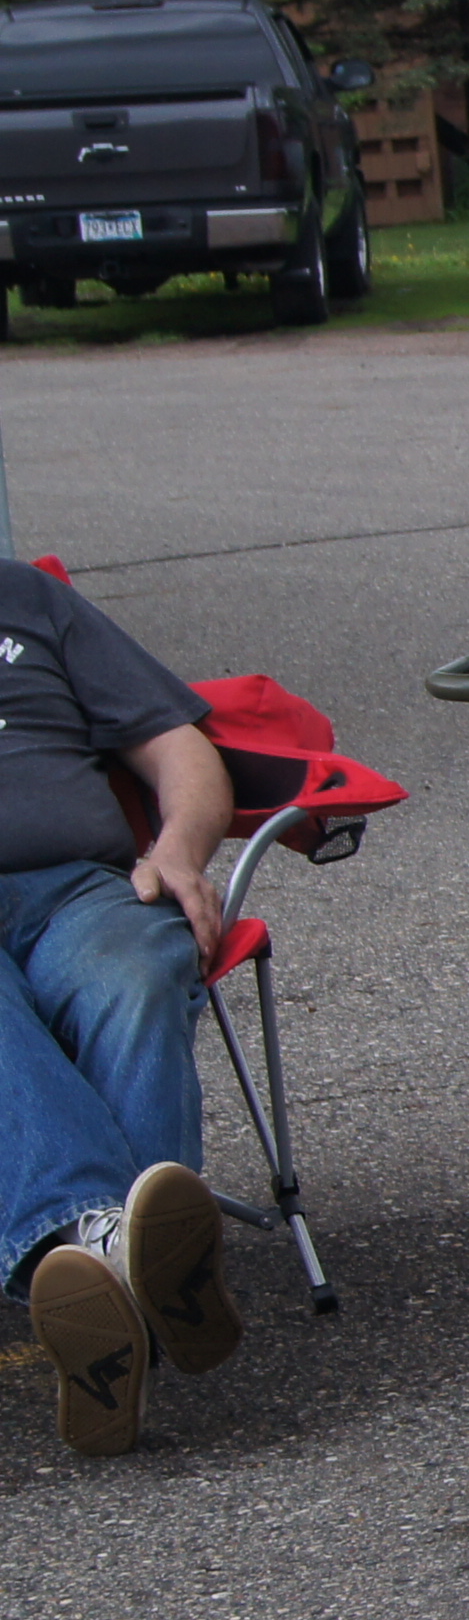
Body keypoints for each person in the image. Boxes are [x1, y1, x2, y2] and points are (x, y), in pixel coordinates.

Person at [0, 560, 236, 1453]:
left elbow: (175, 744)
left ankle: (97, 1272)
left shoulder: (29, 600)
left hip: (79, 893)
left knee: (134, 972)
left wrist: (180, 849)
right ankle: (126, 1258)